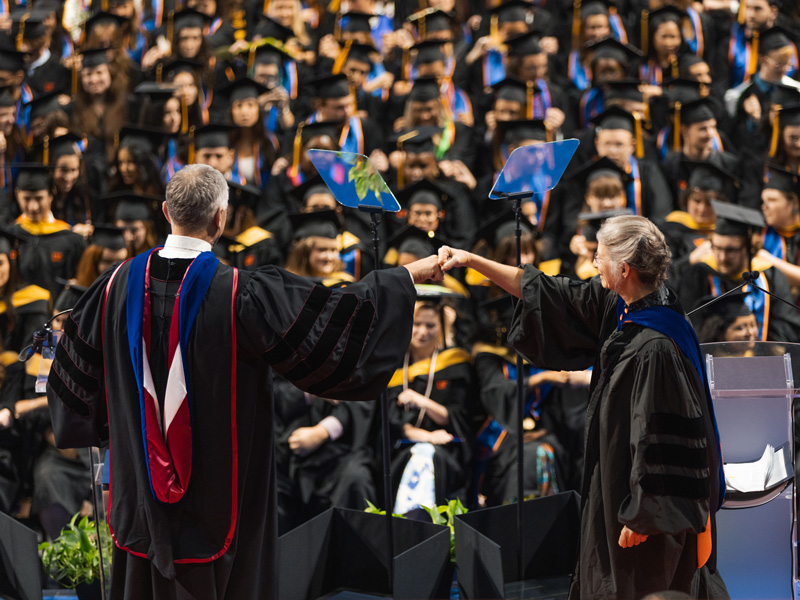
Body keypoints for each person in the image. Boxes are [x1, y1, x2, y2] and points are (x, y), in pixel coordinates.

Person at [45, 164, 443, 599]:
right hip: (222, 494)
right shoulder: (240, 293)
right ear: (221, 219)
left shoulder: (111, 288)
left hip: (138, 484)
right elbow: (334, 313)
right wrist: (402, 278)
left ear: (164, 211)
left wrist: (117, 427)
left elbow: (76, 387)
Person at [437, 215, 727, 599]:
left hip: (640, 517)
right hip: (615, 490)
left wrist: (645, 515)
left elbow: (660, 442)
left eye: (598, 256)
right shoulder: (624, 304)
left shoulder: (656, 346)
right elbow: (548, 292)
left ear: (623, 269)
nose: (593, 264)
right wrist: (473, 261)